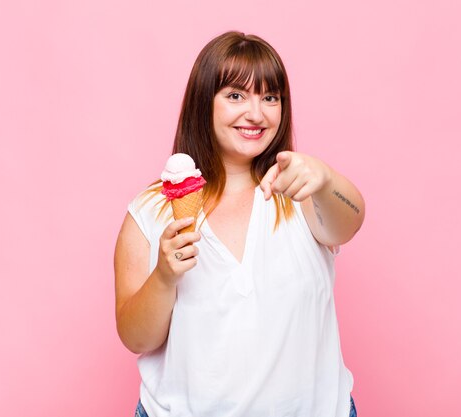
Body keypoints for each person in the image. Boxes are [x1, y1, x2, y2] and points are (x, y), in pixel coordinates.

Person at [114, 31, 364, 417]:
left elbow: (351, 220)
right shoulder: (150, 209)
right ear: (204, 103)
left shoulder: (300, 189)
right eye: (235, 96)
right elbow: (135, 337)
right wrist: (164, 276)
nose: (257, 113)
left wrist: (328, 180)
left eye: (270, 97)